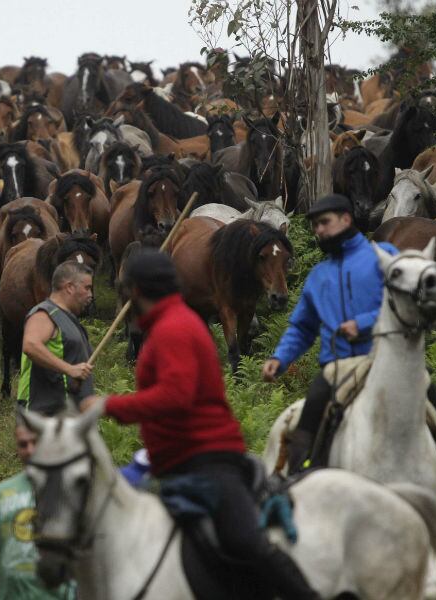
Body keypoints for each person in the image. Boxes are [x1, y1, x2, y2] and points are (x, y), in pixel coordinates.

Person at [81, 249, 320, 599]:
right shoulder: (165, 325)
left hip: (208, 457)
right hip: (177, 459)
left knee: (246, 541)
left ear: (136, 290)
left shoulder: (174, 328)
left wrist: (109, 405)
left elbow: (176, 395)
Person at [261, 194, 436, 478]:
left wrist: (361, 323)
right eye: (314, 225)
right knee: (311, 410)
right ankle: (300, 474)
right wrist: (280, 358)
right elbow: (301, 327)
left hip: (388, 357)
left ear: (346, 219)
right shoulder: (319, 276)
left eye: (324, 222)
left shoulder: (384, 258)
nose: (318, 230)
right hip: (339, 365)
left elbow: (406, 301)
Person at [0, 419, 75, 600]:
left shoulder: (71, 491)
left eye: (35, 442)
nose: (30, 450)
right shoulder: (1, 493)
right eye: (23, 445)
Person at [18, 262, 95, 415]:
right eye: (87, 288)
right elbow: (30, 345)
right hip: (45, 413)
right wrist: (70, 369)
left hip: (68, 414)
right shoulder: (44, 313)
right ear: (70, 287)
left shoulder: (68, 318)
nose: (90, 294)